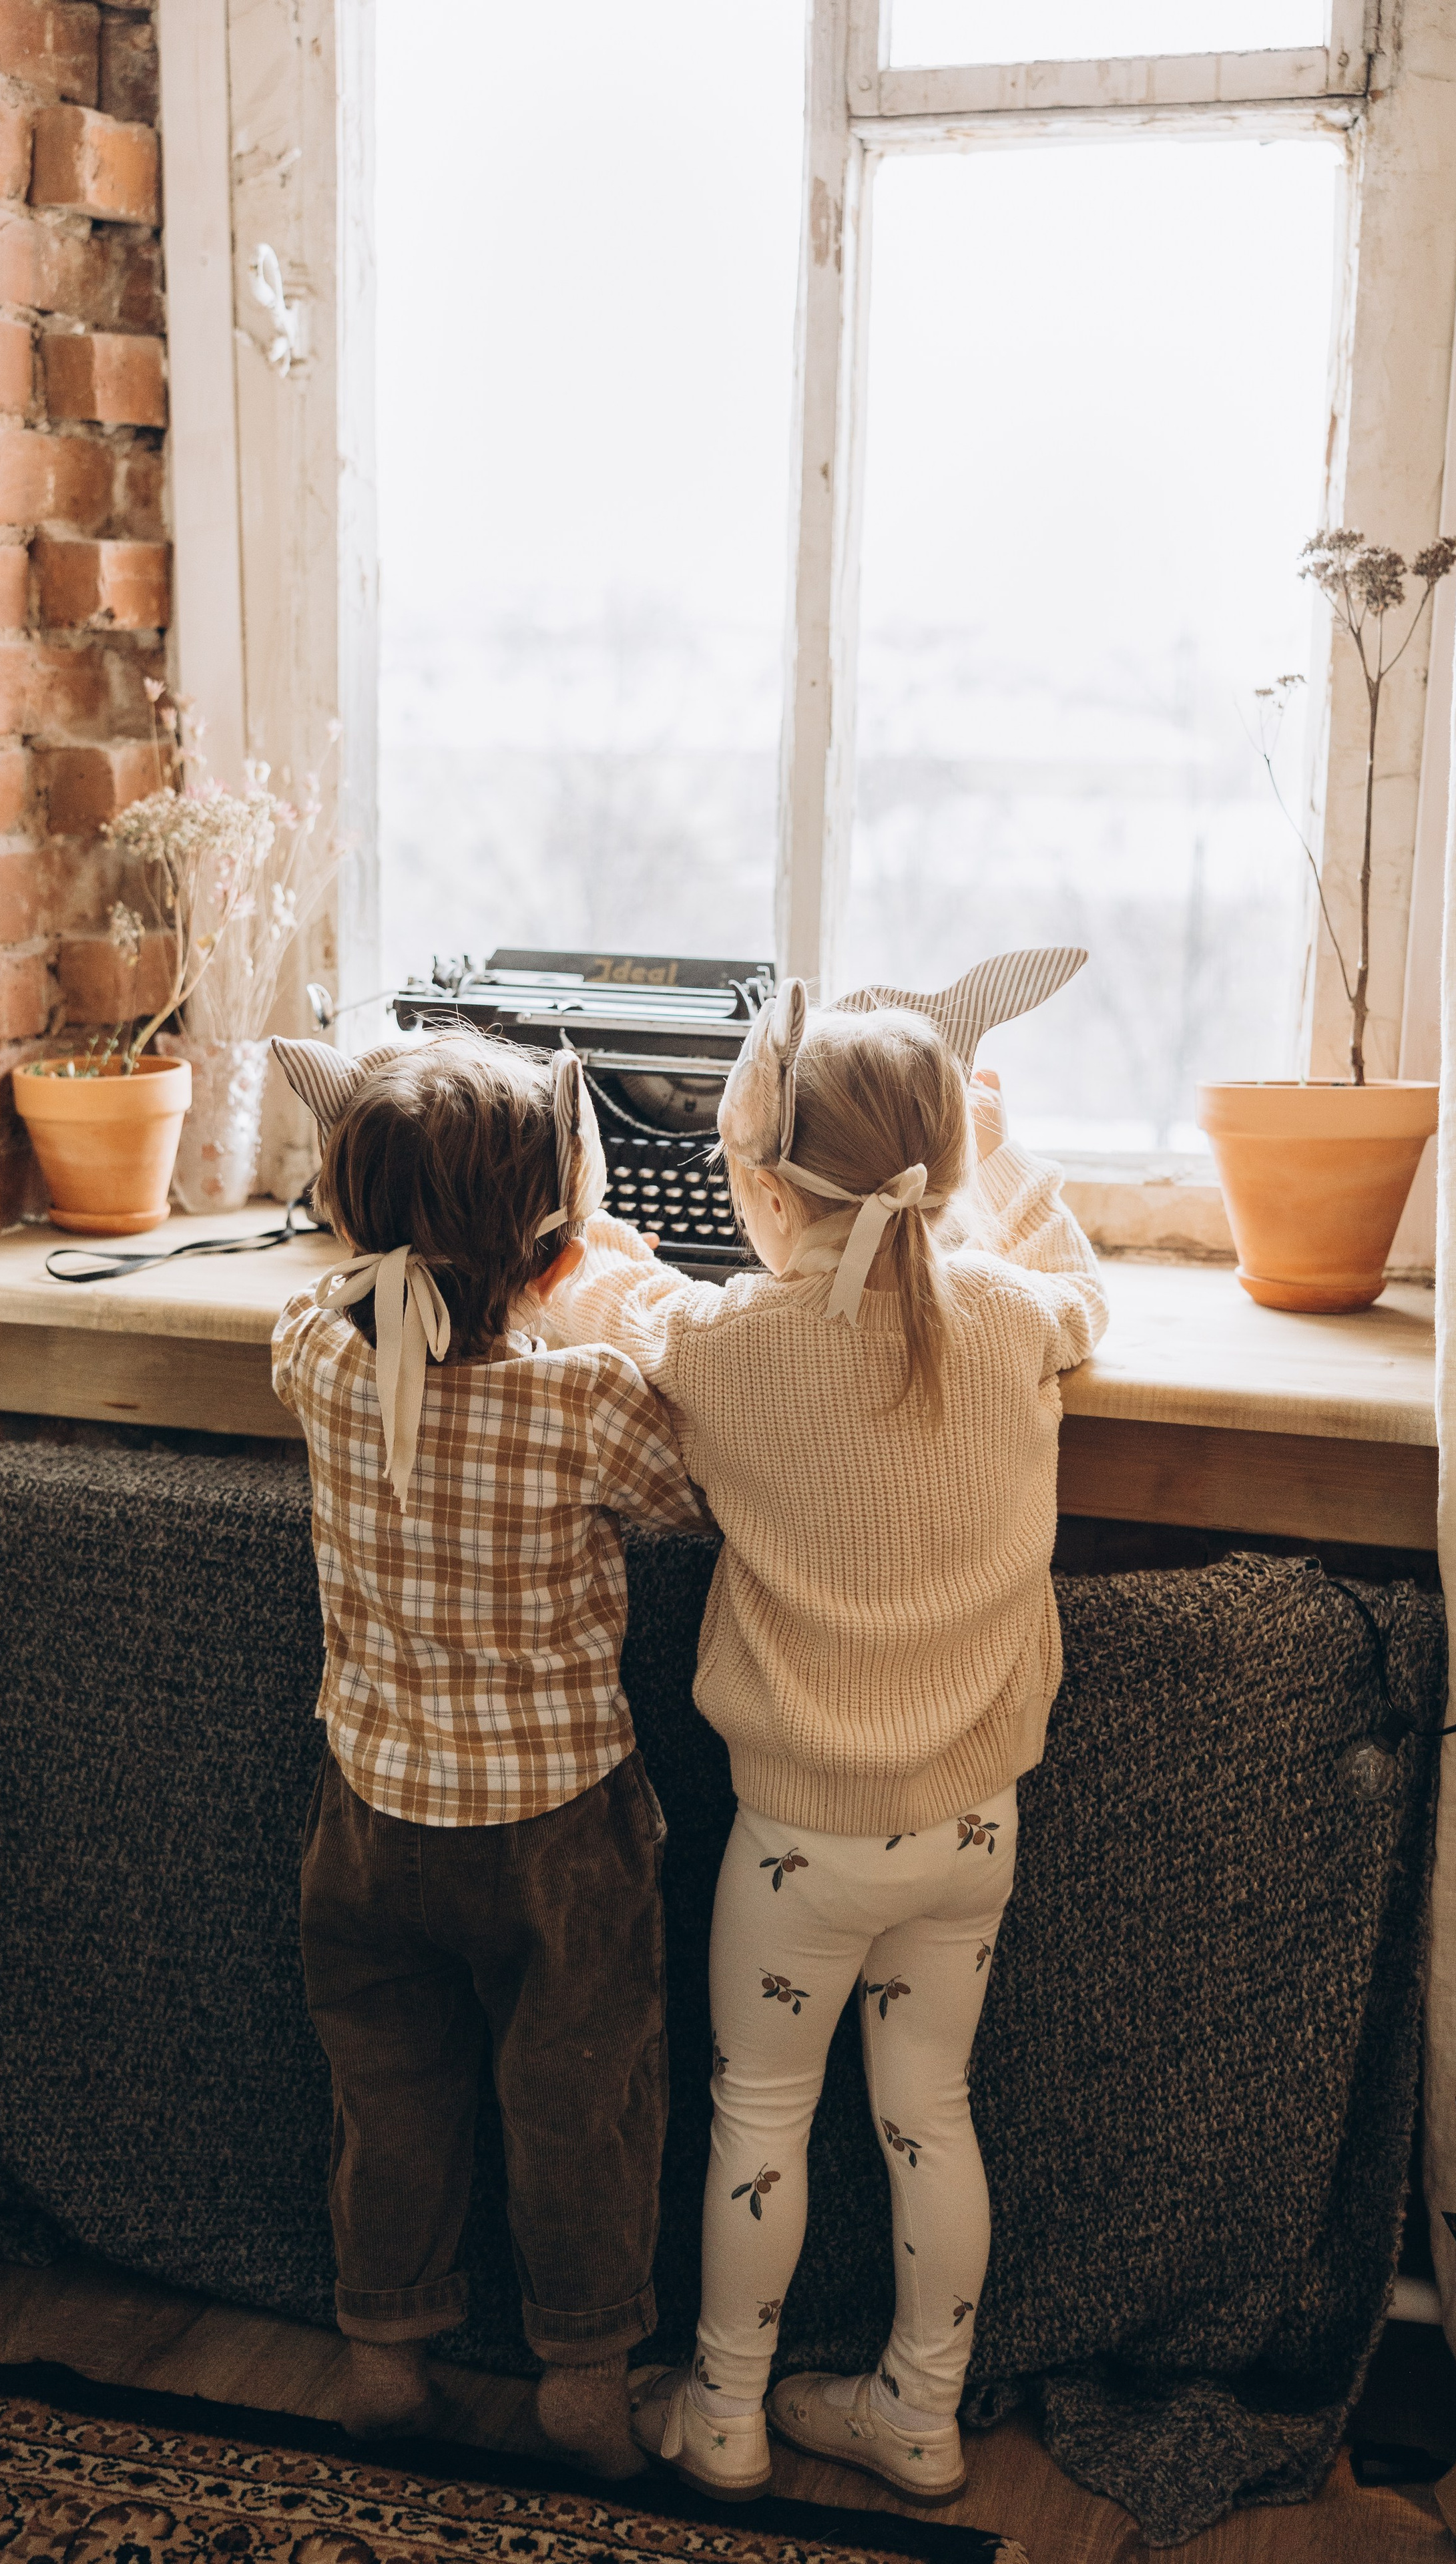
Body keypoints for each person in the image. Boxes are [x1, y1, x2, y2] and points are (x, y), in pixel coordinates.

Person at [545, 986, 1108, 2503]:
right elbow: (1073, 1285)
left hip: (798, 1839)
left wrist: (589, 1230)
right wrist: (1002, 1168)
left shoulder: (730, 1343)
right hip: (972, 1828)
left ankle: (723, 2411)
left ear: (766, 1188)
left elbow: (611, 1305)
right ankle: (918, 2413)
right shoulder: (1006, 1316)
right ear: (944, 1158)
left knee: (761, 2115)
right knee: (931, 2117)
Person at [270, 1036, 708, 2477]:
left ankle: (383, 2356)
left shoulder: (322, 1363)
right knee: (581, 2100)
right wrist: (605, 1296)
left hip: (373, 1811)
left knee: (384, 2096)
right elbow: (690, 1498)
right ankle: (584, 2385)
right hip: (555, 1828)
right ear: (550, 1242)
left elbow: (324, 1309)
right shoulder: (583, 1403)